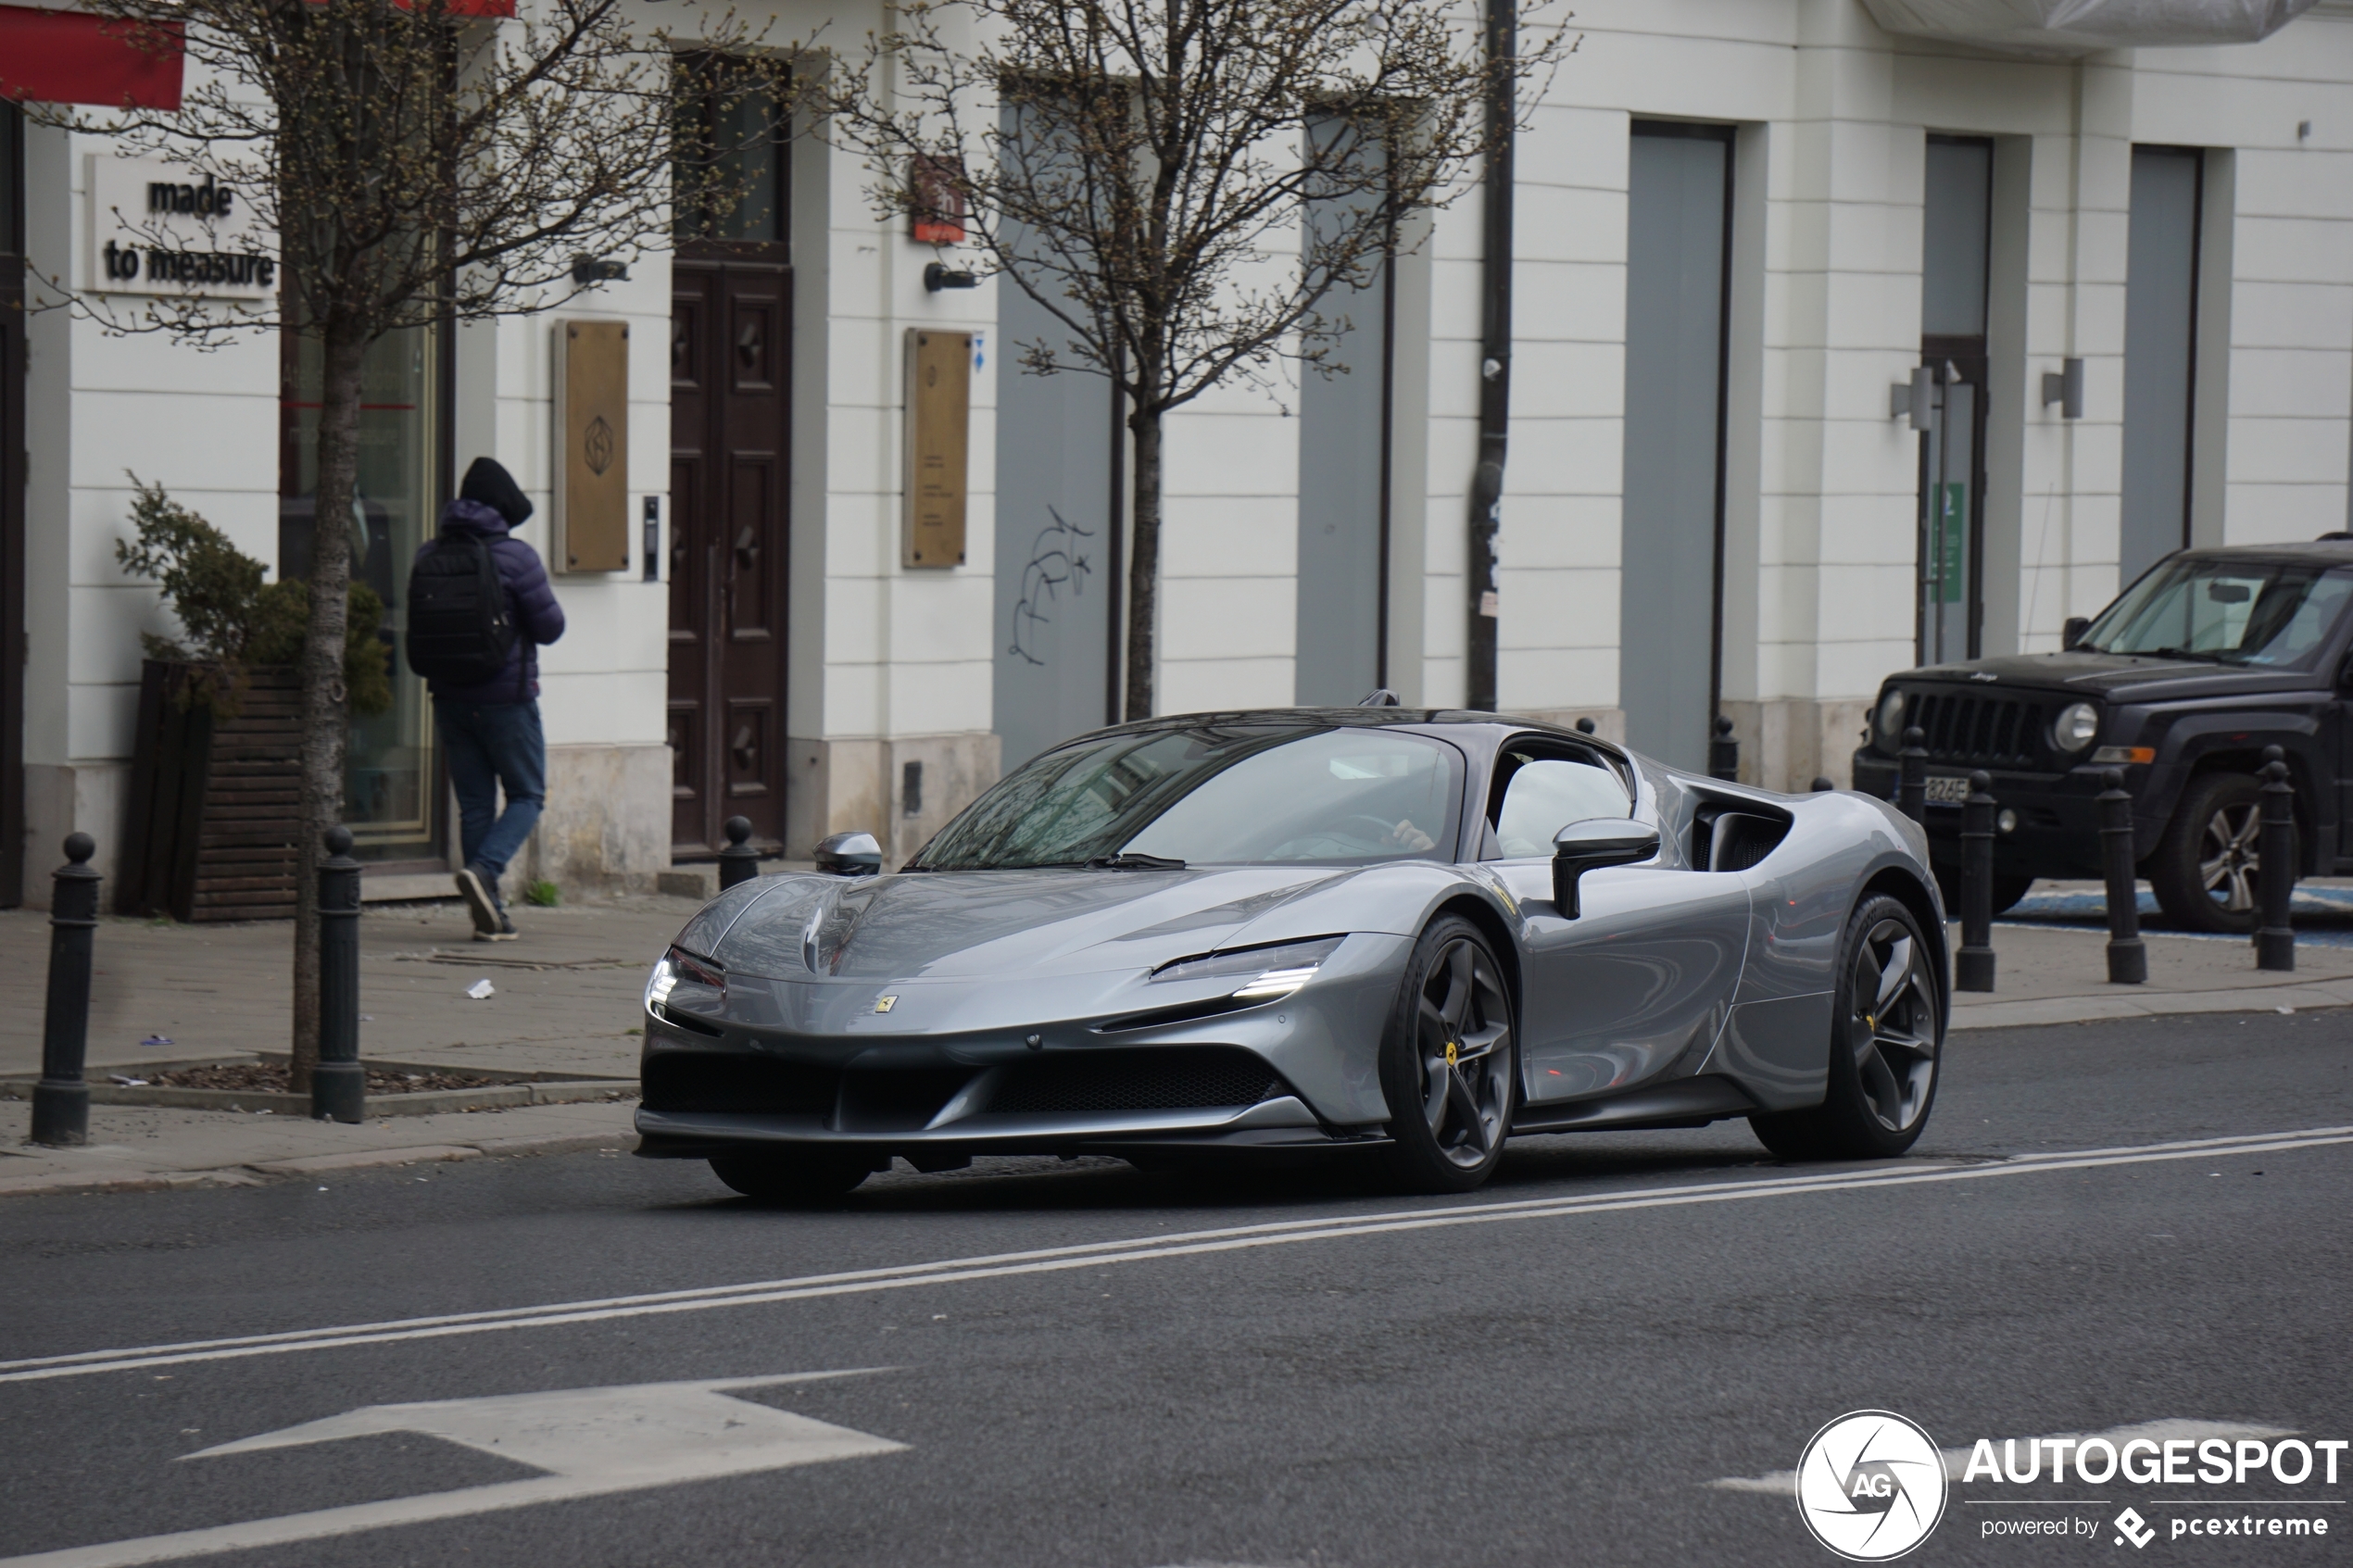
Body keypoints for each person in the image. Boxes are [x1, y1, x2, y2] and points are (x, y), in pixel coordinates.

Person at [420, 458, 566, 940]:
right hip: (508, 701)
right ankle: (485, 871)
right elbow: (550, 627)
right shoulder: (516, 557)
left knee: (476, 805)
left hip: (449, 698)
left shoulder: (429, 554)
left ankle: (491, 914)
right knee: (527, 793)